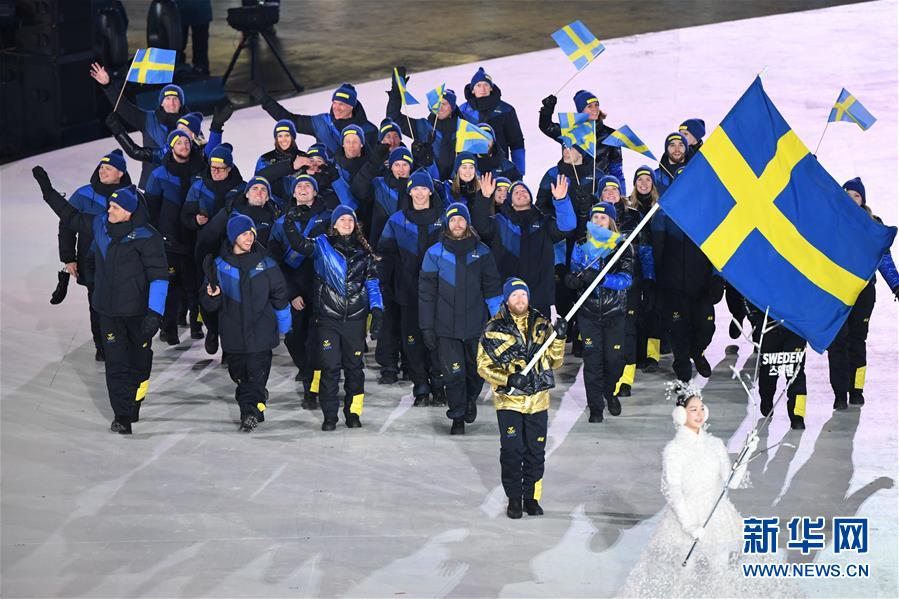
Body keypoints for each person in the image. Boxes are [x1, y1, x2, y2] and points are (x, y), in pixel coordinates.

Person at [618, 382, 789, 599]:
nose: (699, 414)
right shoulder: (674, 450)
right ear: (680, 415)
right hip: (685, 519)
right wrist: (689, 525)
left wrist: (746, 454)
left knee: (720, 570)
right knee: (685, 571)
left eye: (701, 408)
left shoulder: (715, 445)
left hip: (716, 517)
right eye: (693, 410)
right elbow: (674, 492)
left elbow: (732, 482)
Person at [33, 171, 168, 434]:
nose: (109, 209)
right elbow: (70, 216)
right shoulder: (100, 225)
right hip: (107, 311)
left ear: (129, 212)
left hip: (139, 314)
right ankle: (122, 415)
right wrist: (48, 192)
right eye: (110, 205)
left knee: (139, 363)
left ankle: (135, 400)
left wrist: (155, 313)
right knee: (116, 364)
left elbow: (159, 278)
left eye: (115, 207)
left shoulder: (147, 238)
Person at [282, 205, 384, 430]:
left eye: (350, 220)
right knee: (329, 368)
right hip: (328, 319)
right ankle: (330, 415)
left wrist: (377, 311)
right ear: (334, 224)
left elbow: (373, 284)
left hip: (355, 321)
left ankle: (353, 413)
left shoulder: (364, 253)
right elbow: (299, 244)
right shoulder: (321, 245)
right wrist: (289, 222)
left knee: (355, 369)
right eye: (343, 219)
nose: (347, 223)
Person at [477, 277, 567, 519]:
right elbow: (483, 367)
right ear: (507, 299)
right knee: (512, 451)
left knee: (535, 452)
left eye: (523, 295)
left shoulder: (541, 324)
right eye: (515, 295)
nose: (520, 300)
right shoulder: (493, 329)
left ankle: (532, 498)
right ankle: (514, 498)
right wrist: (508, 379)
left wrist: (559, 338)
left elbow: (555, 361)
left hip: (538, 401)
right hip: (509, 402)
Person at [201, 214, 291, 432]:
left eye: (251, 233)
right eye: (243, 234)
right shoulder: (219, 266)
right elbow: (208, 304)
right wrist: (211, 296)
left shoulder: (266, 263)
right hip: (233, 334)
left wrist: (284, 326)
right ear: (233, 237)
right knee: (240, 376)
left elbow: (280, 294)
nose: (249, 237)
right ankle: (255, 401)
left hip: (262, 331)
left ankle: (249, 412)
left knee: (257, 374)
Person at [419, 202, 503, 434]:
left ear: (468, 223)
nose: (457, 224)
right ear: (447, 223)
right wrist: (426, 326)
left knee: (477, 372)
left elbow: (493, 289)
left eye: (461, 219)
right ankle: (457, 416)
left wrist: (499, 322)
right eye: (453, 219)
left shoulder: (482, 252)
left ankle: (469, 402)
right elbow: (426, 294)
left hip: (476, 325)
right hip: (445, 326)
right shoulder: (434, 253)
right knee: (454, 373)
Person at [827, 177, 899, 409]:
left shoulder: (873, 225)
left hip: (863, 294)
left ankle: (856, 389)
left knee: (857, 341)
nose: (852, 200)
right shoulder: (830, 221)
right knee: (838, 342)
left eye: (856, 196)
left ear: (863, 200)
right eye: (847, 195)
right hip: (836, 293)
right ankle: (839, 394)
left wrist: (896, 285)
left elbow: (884, 260)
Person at [56, 149, 134, 362]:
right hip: (91, 263)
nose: (102, 171)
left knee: (124, 303)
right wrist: (68, 257)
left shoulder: (132, 196)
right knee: (97, 305)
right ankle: (102, 346)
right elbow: (66, 226)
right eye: (101, 167)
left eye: (108, 168)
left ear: (121, 173)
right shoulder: (83, 194)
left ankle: (122, 342)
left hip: (124, 264)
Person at [378, 169, 446, 406]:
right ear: (409, 192)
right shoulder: (396, 220)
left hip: (439, 295)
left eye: (423, 188)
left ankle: (439, 386)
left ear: (430, 190)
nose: (419, 193)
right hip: (407, 294)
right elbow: (385, 255)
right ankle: (421, 386)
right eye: (414, 188)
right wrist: (384, 287)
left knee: (436, 342)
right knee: (412, 341)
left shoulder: (446, 217)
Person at [652, 158, 722, 382]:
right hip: (673, 286)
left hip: (701, 285)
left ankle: (698, 352)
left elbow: (718, 250)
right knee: (677, 328)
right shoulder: (662, 213)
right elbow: (656, 252)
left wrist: (717, 278)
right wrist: (656, 282)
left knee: (706, 326)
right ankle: (681, 360)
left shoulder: (708, 214)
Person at [564, 202, 633, 422]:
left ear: (611, 221)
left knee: (614, 359)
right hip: (588, 312)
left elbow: (627, 280)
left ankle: (610, 392)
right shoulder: (581, 244)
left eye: (603, 218)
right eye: (595, 218)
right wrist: (573, 280)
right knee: (592, 361)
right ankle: (595, 406)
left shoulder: (622, 246)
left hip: (615, 312)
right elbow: (575, 270)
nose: (599, 222)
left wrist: (602, 279)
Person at [268, 175, 331, 409]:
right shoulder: (280, 223)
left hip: (321, 288)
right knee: (293, 337)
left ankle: (310, 386)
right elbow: (275, 261)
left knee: (316, 339)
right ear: (293, 194)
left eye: (308, 186)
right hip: (294, 289)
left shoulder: (327, 218)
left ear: (315, 193)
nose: (303, 189)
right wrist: (292, 293)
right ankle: (307, 370)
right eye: (299, 187)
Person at [471, 174, 574, 317]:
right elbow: (479, 225)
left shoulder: (544, 222)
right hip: (508, 297)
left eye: (524, 190)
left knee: (540, 339)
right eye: (516, 192)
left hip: (539, 298)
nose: (521, 193)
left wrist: (562, 201)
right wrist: (484, 197)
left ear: (531, 198)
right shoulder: (499, 222)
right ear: (510, 202)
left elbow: (567, 226)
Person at [181, 143, 246, 354]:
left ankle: (229, 345)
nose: (215, 172)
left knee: (232, 295)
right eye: (212, 167)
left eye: (220, 168)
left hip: (231, 251)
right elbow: (185, 217)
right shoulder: (198, 186)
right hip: (205, 250)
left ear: (230, 168)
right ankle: (212, 330)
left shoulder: (242, 188)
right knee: (207, 292)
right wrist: (195, 221)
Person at [144, 129, 208, 344]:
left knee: (194, 284)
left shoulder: (201, 169)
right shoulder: (159, 174)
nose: (184, 145)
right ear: (172, 147)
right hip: (169, 240)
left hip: (195, 237)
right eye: (179, 142)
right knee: (170, 286)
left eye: (187, 142)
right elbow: (151, 210)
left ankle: (196, 324)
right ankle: (168, 328)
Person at [594, 175, 654, 398]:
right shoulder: (593, 218)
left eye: (615, 189)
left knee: (627, 331)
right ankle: (606, 377)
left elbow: (646, 251)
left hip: (630, 283)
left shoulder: (634, 216)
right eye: (606, 190)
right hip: (599, 290)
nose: (611, 193)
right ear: (600, 195)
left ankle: (626, 379)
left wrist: (648, 280)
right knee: (603, 335)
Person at [90, 63, 188, 187]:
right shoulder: (148, 118)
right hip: (151, 185)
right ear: (161, 103)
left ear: (181, 103)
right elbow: (125, 108)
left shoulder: (190, 124)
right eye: (167, 99)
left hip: (180, 186)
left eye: (176, 99)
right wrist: (108, 86)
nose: (171, 103)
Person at [254, 82, 378, 154]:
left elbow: (372, 161)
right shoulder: (322, 122)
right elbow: (291, 120)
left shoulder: (368, 130)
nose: (336, 107)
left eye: (341, 104)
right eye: (334, 102)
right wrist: (265, 100)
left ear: (351, 106)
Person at [539, 90, 624, 192]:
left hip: (600, 190)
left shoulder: (611, 135)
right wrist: (547, 110)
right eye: (589, 106)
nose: (594, 109)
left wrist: (621, 197)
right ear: (581, 110)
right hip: (572, 188)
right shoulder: (570, 131)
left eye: (596, 105)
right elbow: (547, 127)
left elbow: (617, 171)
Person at [387, 67, 460, 179]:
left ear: (453, 107)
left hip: (456, 186)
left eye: (444, 104)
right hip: (428, 185)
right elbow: (394, 118)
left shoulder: (463, 128)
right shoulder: (424, 127)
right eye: (437, 104)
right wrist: (396, 93)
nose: (439, 107)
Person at [746, 301, 808, 430]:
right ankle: (767, 402)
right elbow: (750, 289)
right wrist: (755, 318)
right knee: (769, 369)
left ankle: (797, 416)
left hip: (796, 326)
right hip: (769, 325)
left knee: (795, 371)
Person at [627, 166, 663, 373]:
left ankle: (652, 354)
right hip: (633, 264)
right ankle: (638, 352)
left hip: (655, 263)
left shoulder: (661, 206)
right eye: (639, 180)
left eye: (647, 180)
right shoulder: (628, 206)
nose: (643, 183)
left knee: (653, 310)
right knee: (636, 311)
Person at [458, 67, 526, 175]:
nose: (483, 89)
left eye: (486, 85)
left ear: (491, 88)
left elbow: (516, 143)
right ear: (472, 89)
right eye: (478, 85)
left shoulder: (506, 110)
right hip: (471, 171)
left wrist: (519, 172)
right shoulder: (462, 111)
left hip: (500, 168)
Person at [176, 0, 212, 75]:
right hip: (200, 9)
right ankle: (201, 69)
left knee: (176, 44)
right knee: (200, 45)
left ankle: (176, 68)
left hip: (178, 9)